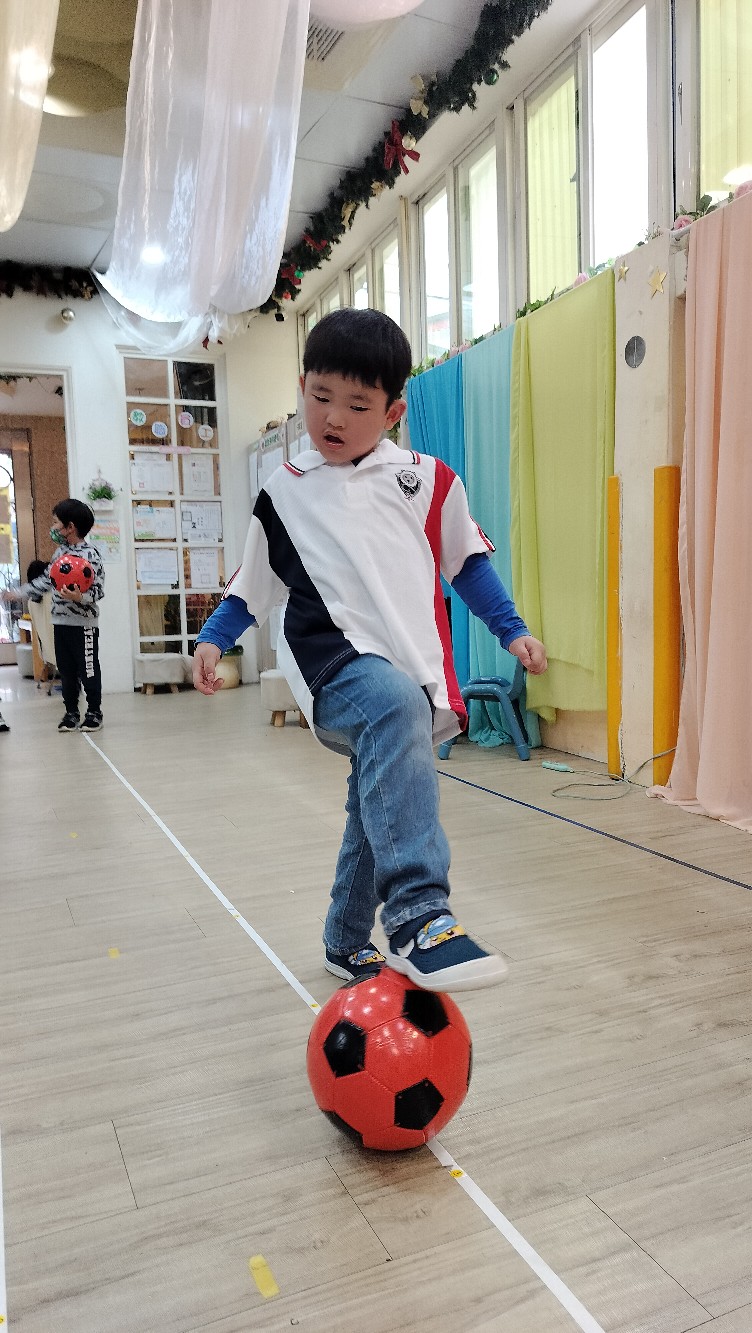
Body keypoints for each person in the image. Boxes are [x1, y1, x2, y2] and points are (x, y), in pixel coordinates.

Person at [193, 308, 546, 994]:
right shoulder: (283, 490)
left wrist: (511, 628)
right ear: (302, 388)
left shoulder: (428, 480)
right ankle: (419, 916)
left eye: (357, 405)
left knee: (374, 800)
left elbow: (466, 563)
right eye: (319, 396)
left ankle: (345, 937)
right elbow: (253, 584)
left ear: (392, 412)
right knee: (390, 706)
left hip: (404, 664)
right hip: (329, 663)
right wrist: (214, 637)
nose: (333, 417)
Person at [1, 499, 105, 732]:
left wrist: (79, 597)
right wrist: (18, 593)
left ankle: (94, 712)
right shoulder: (60, 553)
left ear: (70, 527)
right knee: (66, 671)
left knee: (88, 670)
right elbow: (46, 581)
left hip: (84, 625)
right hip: (60, 622)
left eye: (56, 523)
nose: (53, 527)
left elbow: (98, 591)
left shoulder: (91, 554)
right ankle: (71, 713)